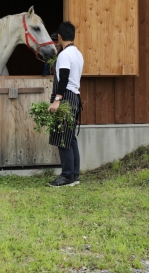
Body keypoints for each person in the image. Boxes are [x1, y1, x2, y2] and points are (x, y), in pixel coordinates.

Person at [47, 21, 84, 187]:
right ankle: (74, 175)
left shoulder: (64, 55)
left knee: (63, 138)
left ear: (60, 37)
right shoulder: (78, 54)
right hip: (75, 96)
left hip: (66, 97)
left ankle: (67, 176)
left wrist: (57, 100)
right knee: (71, 139)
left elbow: (63, 78)